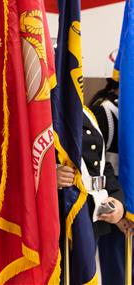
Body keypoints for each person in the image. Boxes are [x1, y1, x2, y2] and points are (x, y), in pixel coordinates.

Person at [57, 107, 125, 279]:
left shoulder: (85, 111)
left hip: (90, 213)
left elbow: (101, 164)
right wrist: (46, 176)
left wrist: (117, 199)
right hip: (59, 213)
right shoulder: (39, 108)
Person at [90, 77, 132, 284]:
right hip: (116, 212)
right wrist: (118, 210)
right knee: (118, 275)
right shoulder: (105, 112)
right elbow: (96, 167)